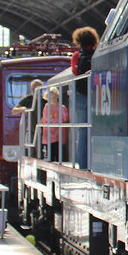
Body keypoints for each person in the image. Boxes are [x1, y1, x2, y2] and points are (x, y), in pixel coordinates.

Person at [70, 26, 98, 167]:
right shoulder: (98, 54)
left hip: (80, 94)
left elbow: (75, 72)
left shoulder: (77, 56)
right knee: (98, 128)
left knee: (82, 130)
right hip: (96, 94)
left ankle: (83, 164)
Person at [40, 87, 68, 161]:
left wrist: (58, 129)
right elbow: (46, 119)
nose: (53, 99)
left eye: (55, 97)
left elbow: (65, 119)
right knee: (50, 156)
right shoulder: (46, 107)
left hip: (59, 135)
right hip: (48, 135)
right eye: (51, 97)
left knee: (59, 156)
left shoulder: (62, 107)